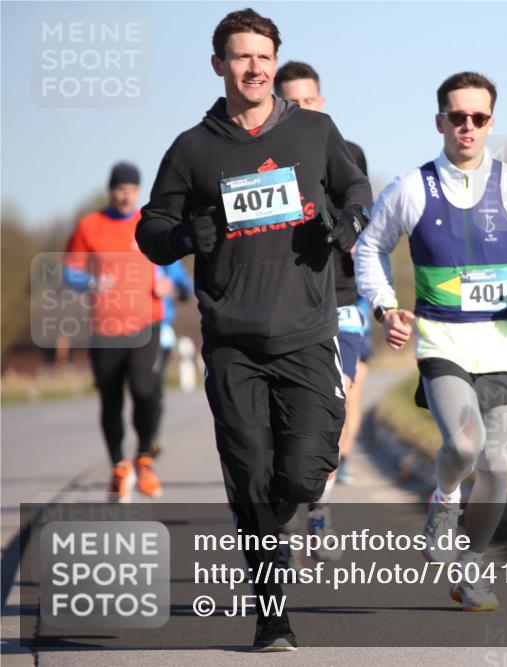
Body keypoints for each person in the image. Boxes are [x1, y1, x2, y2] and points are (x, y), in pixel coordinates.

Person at [135, 9, 371, 651]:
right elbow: (150, 232)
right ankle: (273, 614)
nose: (255, 67)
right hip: (233, 342)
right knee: (249, 476)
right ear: (219, 66)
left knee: (299, 479)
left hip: (306, 335)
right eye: (241, 56)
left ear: (275, 61)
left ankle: (289, 508)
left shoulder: (316, 132)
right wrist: (187, 235)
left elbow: (358, 193)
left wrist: (345, 226)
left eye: (264, 56)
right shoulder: (193, 148)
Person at [355, 72, 507, 611]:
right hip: (442, 342)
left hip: (504, 347)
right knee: (466, 446)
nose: (466, 127)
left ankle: (471, 571)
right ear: (440, 122)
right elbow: (368, 249)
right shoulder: (411, 188)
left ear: (491, 122)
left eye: (478, 118)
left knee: (497, 467)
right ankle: (444, 498)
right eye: (457, 116)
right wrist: (385, 308)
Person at [273, 62, 369, 562]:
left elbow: (363, 209)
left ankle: (320, 498)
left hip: (344, 295)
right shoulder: (264, 157)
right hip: (287, 298)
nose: (303, 110)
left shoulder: (346, 153)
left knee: (342, 396)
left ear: (322, 102)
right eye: (293, 102)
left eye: (310, 101)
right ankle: (292, 498)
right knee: (289, 417)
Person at [63, 162, 169, 502]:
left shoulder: (148, 224)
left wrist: (174, 286)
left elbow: (173, 270)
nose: (126, 196)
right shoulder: (89, 226)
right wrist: (91, 281)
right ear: (111, 191)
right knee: (110, 399)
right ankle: (119, 466)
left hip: (145, 324)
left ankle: (144, 459)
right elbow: (68, 272)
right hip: (105, 328)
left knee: (145, 389)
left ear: (139, 192)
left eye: (132, 190)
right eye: (120, 189)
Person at [149, 260, 193, 459]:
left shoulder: (157, 254)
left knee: (151, 384)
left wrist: (172, 288)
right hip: (120, 330)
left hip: (158, 329)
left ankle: (152, 437)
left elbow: (186, 289)